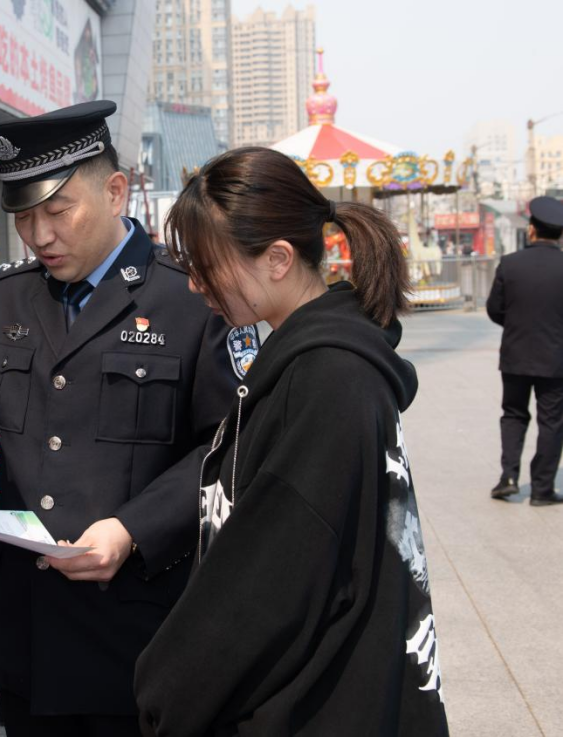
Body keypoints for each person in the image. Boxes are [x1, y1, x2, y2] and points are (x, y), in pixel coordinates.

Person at [0, 101, 244, 736]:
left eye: (57, 210)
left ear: (116, 190)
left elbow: (230, 442)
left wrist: (133, 527)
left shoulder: (189, 297)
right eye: (23, 216)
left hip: (136, 628)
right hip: (27, 631)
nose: (39, 235)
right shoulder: (10, 292)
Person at [134, 147, 449, 736]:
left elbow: (266, 585)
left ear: (278, 258)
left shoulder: (327, 379)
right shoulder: (316, 361)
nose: (197, 286)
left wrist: (164, 690)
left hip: (317, 706)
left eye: (208, 267)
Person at [486, 196, 563, 506]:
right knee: (552, 421)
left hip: (515, 355)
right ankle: (543, 489)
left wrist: (517, 325)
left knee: (514, 415)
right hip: (556, 359)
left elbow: (495, 309)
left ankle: (508, 477)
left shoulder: (510, 263)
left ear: (531, 230)